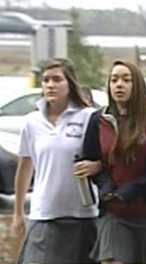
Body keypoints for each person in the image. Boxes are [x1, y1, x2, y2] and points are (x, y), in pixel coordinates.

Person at [78, 59, 146, 264]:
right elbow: (92, 161)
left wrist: (135, 188)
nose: (119, 85)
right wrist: (106, 186)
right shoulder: (99, 119)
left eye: (126, 80)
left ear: (138, 85)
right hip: (115, 213)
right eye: (114, 80)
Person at [12, 58, 98, 263]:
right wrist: (18, 212)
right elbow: (25, 167)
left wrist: (96, 166)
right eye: (46, 80)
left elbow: (107, 158)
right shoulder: (32, 122)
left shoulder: (89, 117)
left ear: (70, 84)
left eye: (57, 79)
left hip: (83, 214)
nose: (50, 85)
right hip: (45, 213)